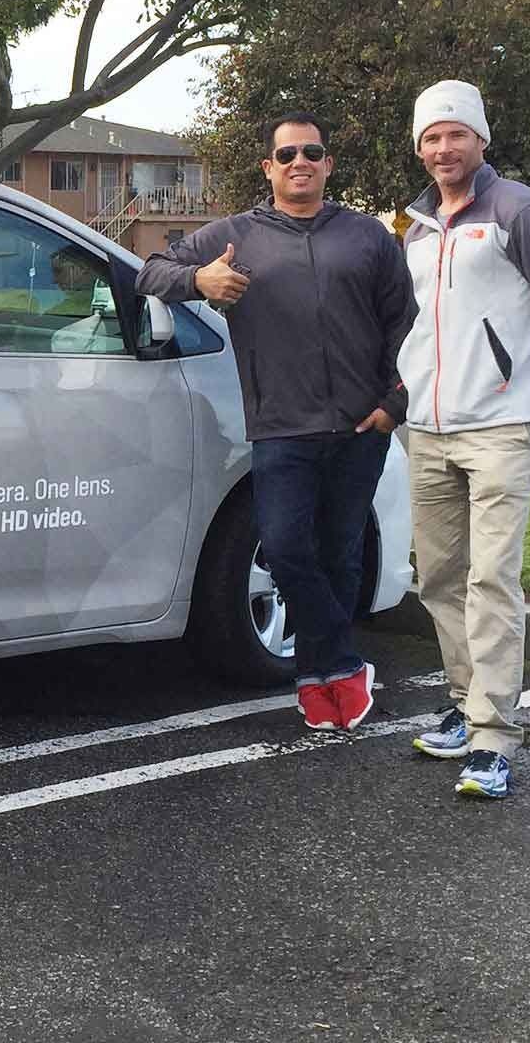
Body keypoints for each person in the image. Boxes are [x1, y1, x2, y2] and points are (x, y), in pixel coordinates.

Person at [138, 112, 414, 731]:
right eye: (287, 154)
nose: (300, 163)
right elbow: (148, 271)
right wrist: (197, 278)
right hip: (279, 426)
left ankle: (319, 681)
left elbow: (407, 324)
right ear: (269, 167)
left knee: (342, 555)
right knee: (288, 551)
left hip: (359, 427)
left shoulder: (367, 237)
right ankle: (344, 662)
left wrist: (394, 403)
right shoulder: (237, 234)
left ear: (327, 165)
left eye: (312, 153)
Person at [399, 80, 530, 799]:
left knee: (491, 579)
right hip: (428, 426)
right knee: (443, 578)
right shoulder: (417, 224)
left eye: (455, 133)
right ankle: (464, 704)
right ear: (419, 148)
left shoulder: (520, 211)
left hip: (499, 428)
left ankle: (492, 738)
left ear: (481, 138)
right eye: (430, 137)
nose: (443, 148)